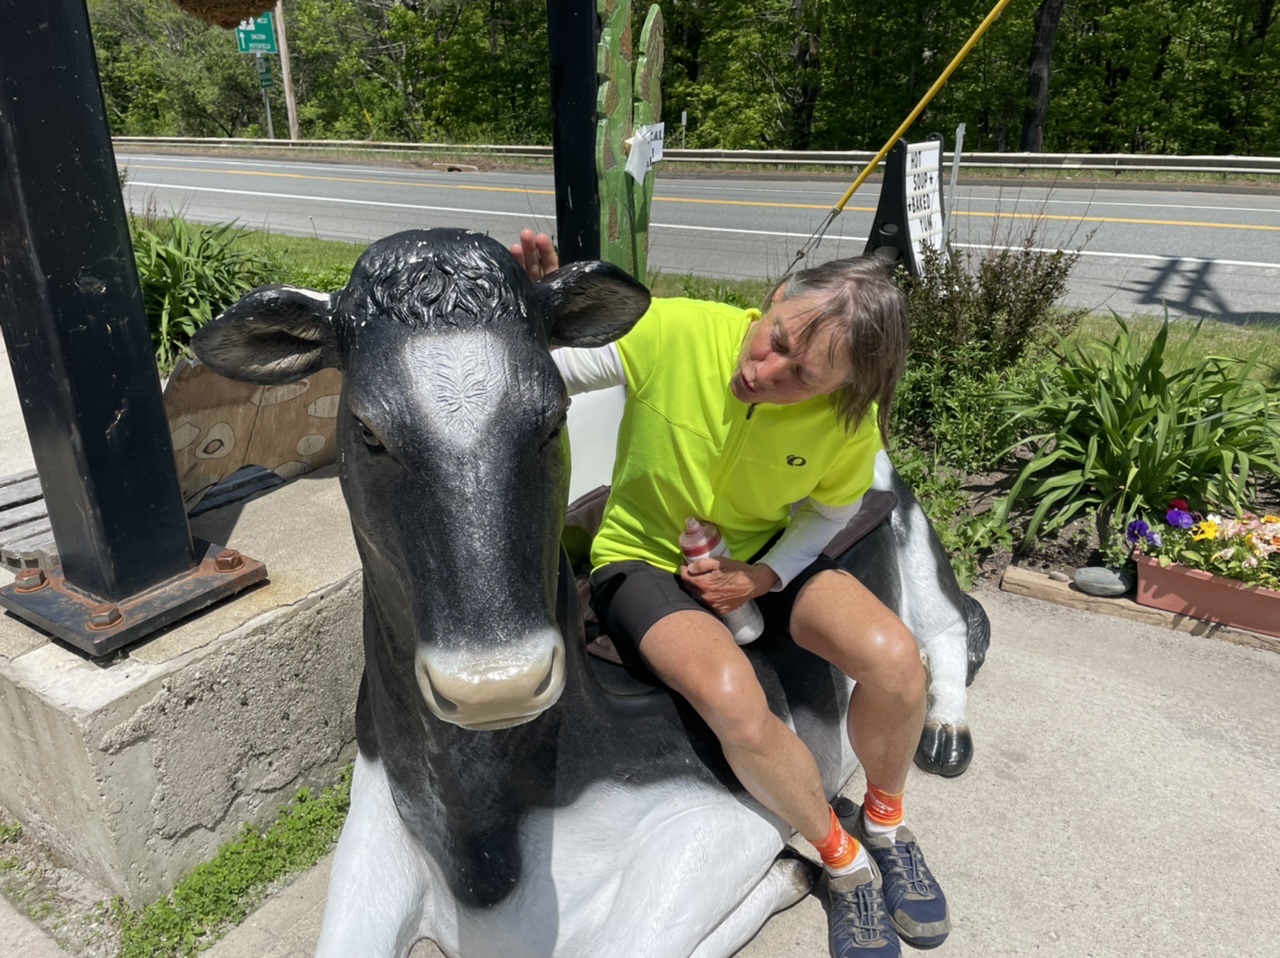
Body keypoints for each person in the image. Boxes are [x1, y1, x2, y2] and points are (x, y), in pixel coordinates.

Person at [511, 230, 947, 958]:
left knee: (899, 662)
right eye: (775, 340)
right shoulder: (674, 329)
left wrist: (763, 575)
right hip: (642, 559)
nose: (765, 370)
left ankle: (885, 824)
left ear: (839, 389)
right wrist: (538, 314)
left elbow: (829, 515)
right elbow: (548, 368)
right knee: (735, 705)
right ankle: (842, 861)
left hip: (761, 558)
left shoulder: (847, 421)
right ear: (776, 299)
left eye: (801, 377)